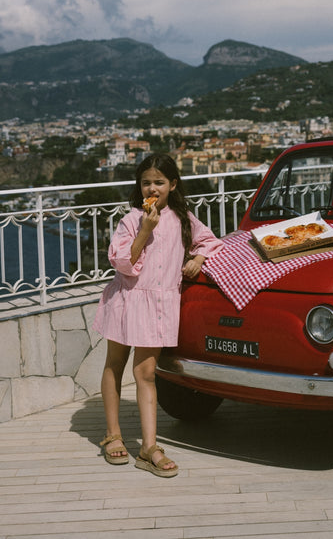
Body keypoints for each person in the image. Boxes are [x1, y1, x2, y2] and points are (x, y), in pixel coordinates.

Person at [93, 153, 224, 477]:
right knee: (115, 363)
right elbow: (122, 263)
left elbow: (211, 241)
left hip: (159, 306)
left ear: (173, 185)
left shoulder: (183, 218)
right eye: (146, 182)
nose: (151, 187)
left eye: (159, 182)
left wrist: (199, 259)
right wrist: (144, 230)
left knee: (147, 373)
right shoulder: (131, 219)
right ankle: (112, 434)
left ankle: (149, 447)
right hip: (127, 300)